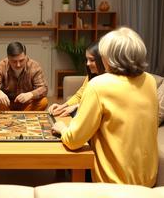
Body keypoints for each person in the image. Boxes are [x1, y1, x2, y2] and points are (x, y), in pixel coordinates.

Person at [52, 27, 158, 186]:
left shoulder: (98, 85)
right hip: (147, 180)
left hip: (113, 183)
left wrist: (62, 129)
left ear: (109, 57)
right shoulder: (149, 80)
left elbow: (74, 140)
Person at [0, 41, 48, 111]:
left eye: (21, 60)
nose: (18, 65)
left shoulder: (34, 66)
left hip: (27, 104)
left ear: (26, 56)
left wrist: (31, 94)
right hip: (6, 104)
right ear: (8, 58)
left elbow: (44, 88)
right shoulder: (2, 65)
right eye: (14, 61)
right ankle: (10, 117)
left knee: (43, 102)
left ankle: (19, 116)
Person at [48, 41, 105, 117]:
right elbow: (79, 95)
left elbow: (98, 104)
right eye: (87, 59)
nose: (87, 63)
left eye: (92, 60)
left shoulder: (108, 80)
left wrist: (77, 106)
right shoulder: (91, 76)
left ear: (102, 60)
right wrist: (62, 106)